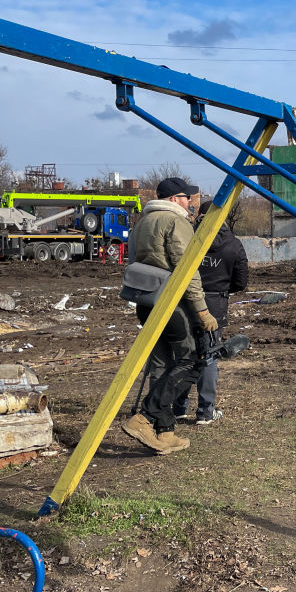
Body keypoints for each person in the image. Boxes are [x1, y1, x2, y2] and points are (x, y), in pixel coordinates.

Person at [121, 177, 219, 454]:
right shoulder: (176, 222)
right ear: (174, 199)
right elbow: (186, 268)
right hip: (171, 303)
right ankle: (147, 417)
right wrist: (201, 309)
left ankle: (164, 433)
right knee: (193, 361)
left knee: (162, 364)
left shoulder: (141, 223)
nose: (190, 203)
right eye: (187, 198)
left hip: (145, 300)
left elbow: (132, 264)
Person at [172, 200, 249, 425]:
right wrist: (220, 290)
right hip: (215, 306)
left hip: (184, 302)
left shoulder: (188, 238)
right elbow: (241, 281)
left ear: (201, 216)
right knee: (209, 356)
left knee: (184, 355)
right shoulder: (233, 244)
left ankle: (178, 407)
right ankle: (205, 411)